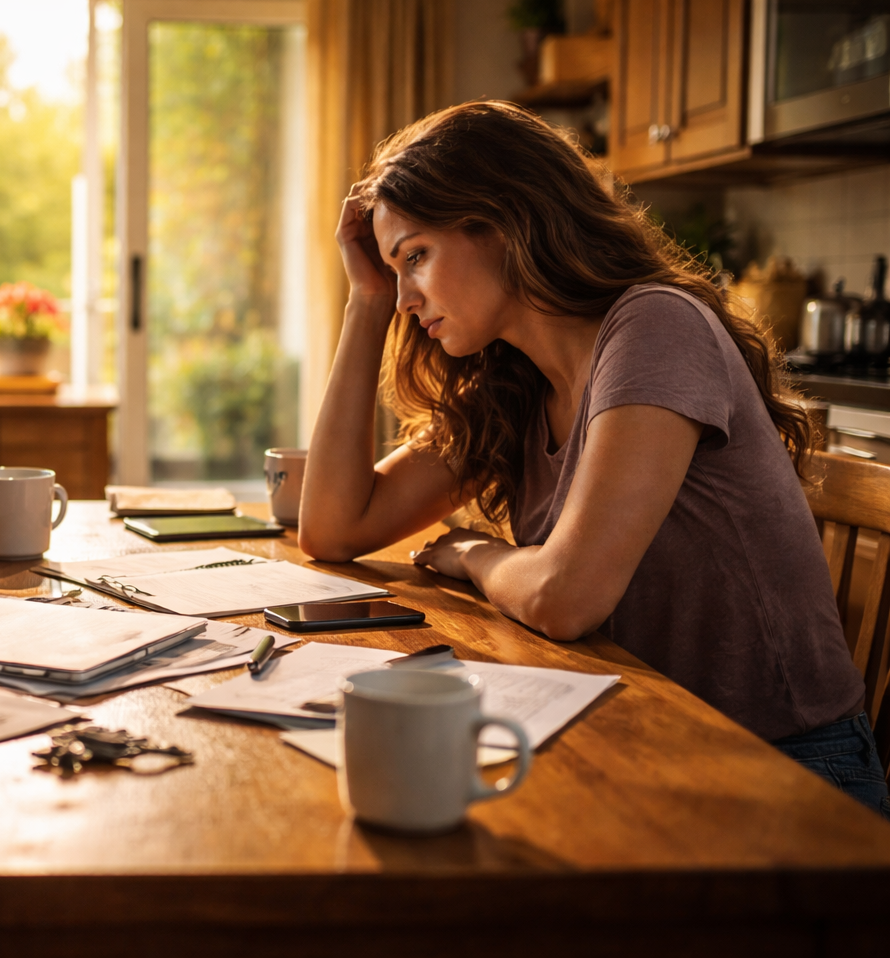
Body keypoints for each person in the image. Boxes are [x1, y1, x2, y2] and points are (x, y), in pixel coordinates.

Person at [299, 101, 888, 816]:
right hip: (644, 738)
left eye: (415, 257)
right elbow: (332, 529)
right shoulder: (512, 384)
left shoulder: (655, 326)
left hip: (781, 769)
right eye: (394, 272)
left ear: (503, 222)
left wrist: (470, 556)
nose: (405, 298)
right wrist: (364, 300)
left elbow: (564, 597)